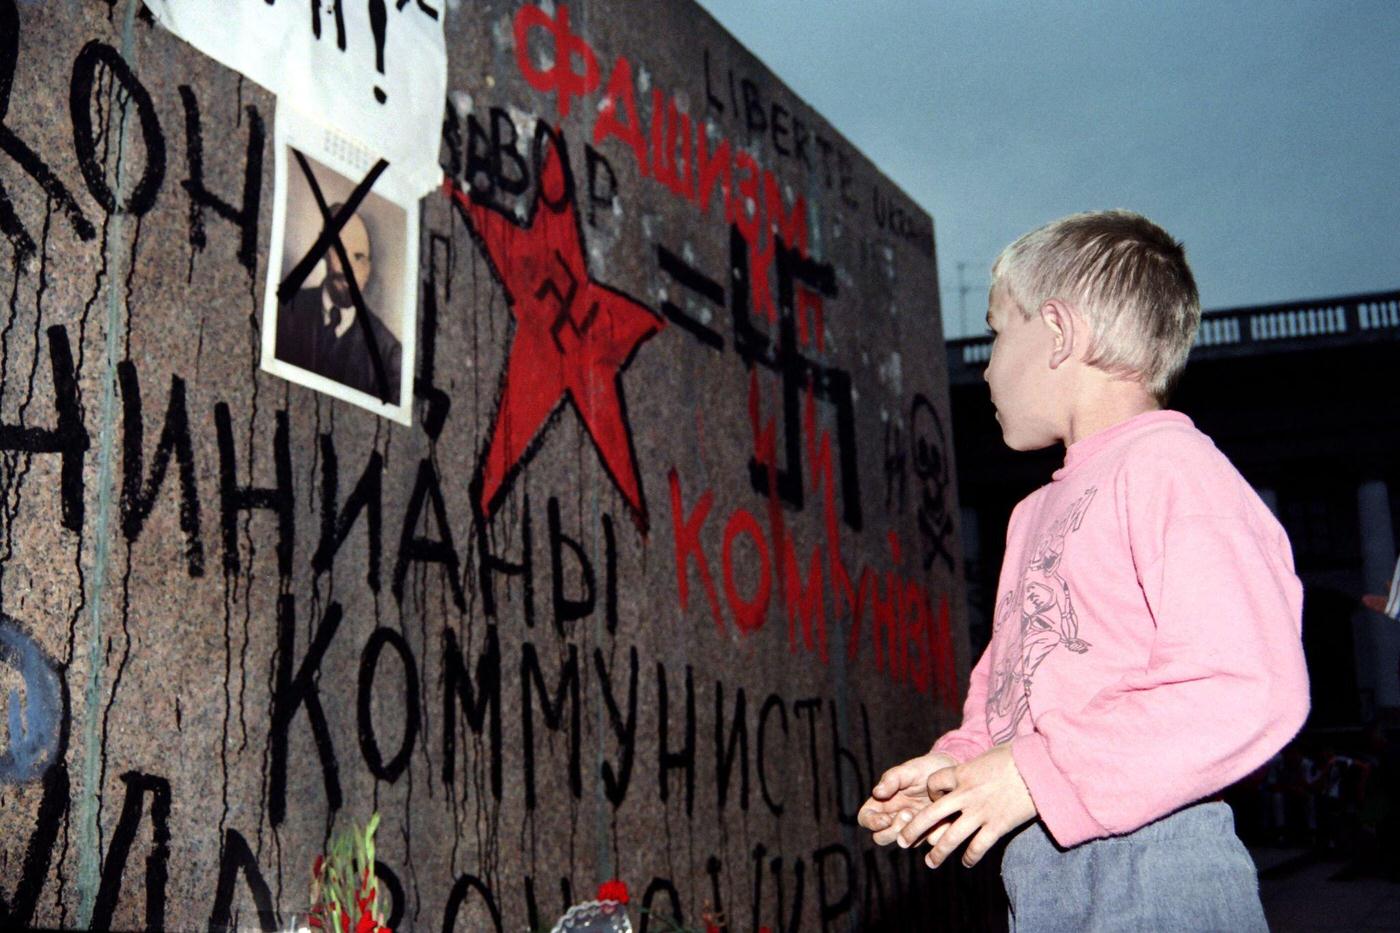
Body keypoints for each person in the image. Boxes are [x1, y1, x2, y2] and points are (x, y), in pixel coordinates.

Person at [858, 211, 1309, 930]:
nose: (985, 363)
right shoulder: (1032, 514)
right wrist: (961, 769)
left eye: (997, 331)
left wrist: (1035, 772)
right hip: (1041, 867)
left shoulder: (1173, 469)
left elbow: (1247, 683)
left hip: (1158, 862)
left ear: (1060, 333)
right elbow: (1012, 694)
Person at [276, 207, 401, 404]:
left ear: (368, 268)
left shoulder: (387, 353)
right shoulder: (284, 311)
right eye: (340, 251)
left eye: (359, 257)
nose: (348, 268)